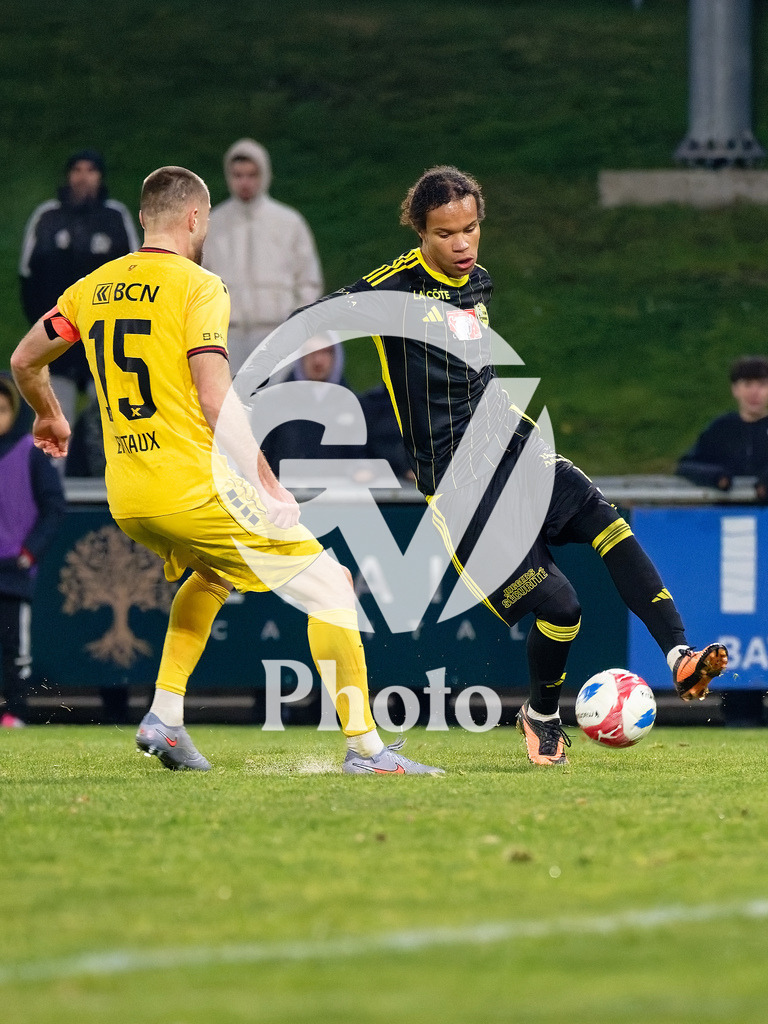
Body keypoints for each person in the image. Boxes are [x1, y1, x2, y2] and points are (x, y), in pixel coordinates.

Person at [260, 165, 728, 766]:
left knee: (602, 516)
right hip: (461, 486)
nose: (461, 245)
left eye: (471, 229)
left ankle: (679, 656)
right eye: (446, 234)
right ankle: (541, 713)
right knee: (562, 607)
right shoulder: (393, 291)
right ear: (420, 234)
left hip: (515, 446)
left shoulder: (477, 281)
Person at [10, 164, 440, 776]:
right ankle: (366, 749)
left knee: (211, 577)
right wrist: (266, 483)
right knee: (334, 587)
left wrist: (50, 416)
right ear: (195, 219)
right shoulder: (198, 286)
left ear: (140, 219)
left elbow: (26, 358)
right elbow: (216, 397)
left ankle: (165, 717)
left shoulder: (93, 288)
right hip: (192, 488)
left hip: (127, 495)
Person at [19, 149, 139, 472]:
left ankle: (113, 499)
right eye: (77, 170)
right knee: (56, 421)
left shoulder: (115, 218)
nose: (83, 177)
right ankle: (51, 496)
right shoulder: (48, 217)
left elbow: (135, 274)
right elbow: (27, 279)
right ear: (68, 176)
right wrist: (45, 329)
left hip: (105, 337)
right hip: (59, 337)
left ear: (100, 177)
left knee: (113, 422)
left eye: (90, 170)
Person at [202, 138, 324, 377]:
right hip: (227, 338)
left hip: (276, 336)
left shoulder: (288, 222)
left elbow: (308, 280)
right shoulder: (213, 224)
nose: (245, 182)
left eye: (251, 174)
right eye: (238, 175)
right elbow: (198, 280)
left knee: (275, 411)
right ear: (229, 177)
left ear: (264, 174)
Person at [0, 375, 66, 727]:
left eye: (2, 409)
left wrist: (30, 552)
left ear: (13, 412)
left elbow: (54, 507)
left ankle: (15, 714)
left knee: (15, 650)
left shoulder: (31, 453)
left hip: (13, 570)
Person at [676, 354, 768, 502]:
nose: (754, 392)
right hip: (724, 515)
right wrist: (718, 477)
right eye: (748, 384)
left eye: (762, 384)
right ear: (735, 389)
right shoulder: (721, 428)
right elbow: (686, 465)